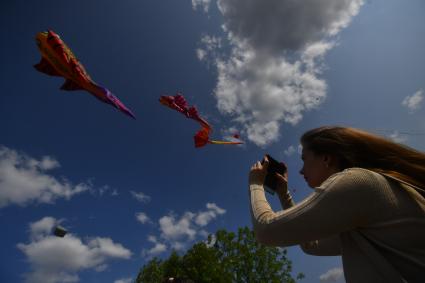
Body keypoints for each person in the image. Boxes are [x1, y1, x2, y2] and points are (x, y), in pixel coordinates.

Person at [249, 126, 425, 283]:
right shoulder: (361, 201)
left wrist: (256, 184)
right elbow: (310, 244)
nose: (301, 170)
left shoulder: (357, 182)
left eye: (304, 159)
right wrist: (283, 193)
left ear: (326, 158)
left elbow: (266, 231)